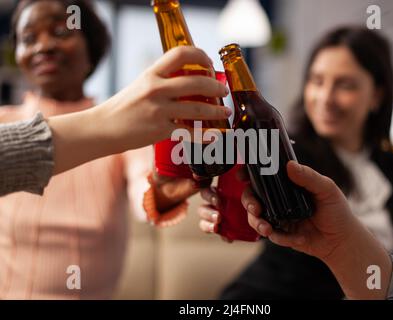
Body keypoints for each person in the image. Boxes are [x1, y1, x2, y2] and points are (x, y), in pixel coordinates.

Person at [198, 26, 393, 298]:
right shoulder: (290, 154)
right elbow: (238, 171)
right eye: (317, 81)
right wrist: (225, 204)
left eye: (345, 85)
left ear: (376, 95)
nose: (325, 98)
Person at [0, 0, 228, 299]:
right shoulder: (4, 122)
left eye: (60, 31)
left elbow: (146, 190)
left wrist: (163, 191)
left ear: (91, 49)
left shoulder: (125, 134)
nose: (44, 46)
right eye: (29, 39)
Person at [243, 161, 393, 300]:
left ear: (375, 98)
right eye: (314, 94)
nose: (326, 98)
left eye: (347, 94)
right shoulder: (290, 156)